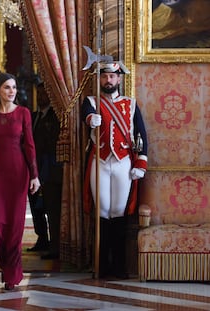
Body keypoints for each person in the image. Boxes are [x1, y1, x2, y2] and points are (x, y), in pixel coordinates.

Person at [81, 61, 148, 279]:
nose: (108, 80)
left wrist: (141, 164)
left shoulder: (131, 104)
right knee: (102, 211)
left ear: (119, 79)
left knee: (119, 212)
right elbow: (86, 115)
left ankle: (119, 266)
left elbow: (142, 135)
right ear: (99, 79)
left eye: (112, 76)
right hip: (100, 161)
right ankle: (102, 265)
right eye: (104, 76)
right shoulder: (91, 101)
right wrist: (91, 119)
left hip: (123, 163)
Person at [0, 73, 40, 290]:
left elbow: (30, 146)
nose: (11, 91)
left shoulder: (23, 113)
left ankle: (11, 274)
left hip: (18, 173)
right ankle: (8, 266)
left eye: (13, 87)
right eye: (6, 87)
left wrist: (35, 175)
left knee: (15, 227)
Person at [27, 83, 63, 260]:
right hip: (33, 170)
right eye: (38, 93)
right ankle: (42, 238)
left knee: (52, 209)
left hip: (50, 170)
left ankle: (55, 245)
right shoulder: (33, 116)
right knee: (36, 208)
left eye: (44, 93)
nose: (41, 96)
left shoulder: (56, 116)